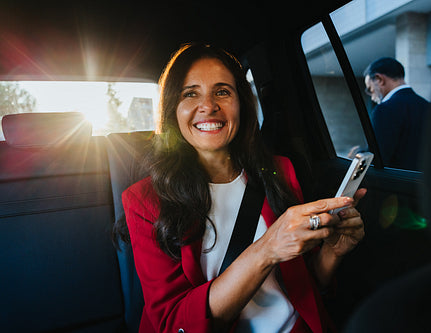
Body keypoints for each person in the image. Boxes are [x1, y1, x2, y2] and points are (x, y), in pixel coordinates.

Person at [119, 43, 366, 333]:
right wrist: (267, 249)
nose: (209, 106)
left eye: (222, 91)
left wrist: (332, 254)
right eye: (190, 93)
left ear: (242, 103)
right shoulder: (145, 200)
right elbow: (174, 325)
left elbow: (303, 287)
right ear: (172, 108)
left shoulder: (280, 170)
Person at [363, 57, 431, 170]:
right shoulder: (429, 107)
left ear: (379, 79)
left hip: (396, 185)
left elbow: (377, 161)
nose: (372, 97)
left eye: (370, 89)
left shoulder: (384, 110)